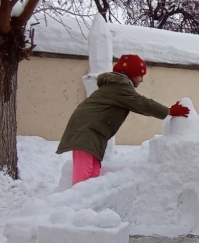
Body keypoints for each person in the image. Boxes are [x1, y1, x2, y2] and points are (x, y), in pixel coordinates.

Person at [57, 54, 190, 184]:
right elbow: (141, 104)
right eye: (140, 75)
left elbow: (138, 105)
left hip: (91, 130)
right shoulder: (119, 87)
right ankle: (75, 201)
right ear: (131, 73)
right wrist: (169, 111)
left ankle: (85, 201)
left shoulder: (117, 87)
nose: (142, 80)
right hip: (85, 131)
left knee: (94, 171)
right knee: (84, 173)